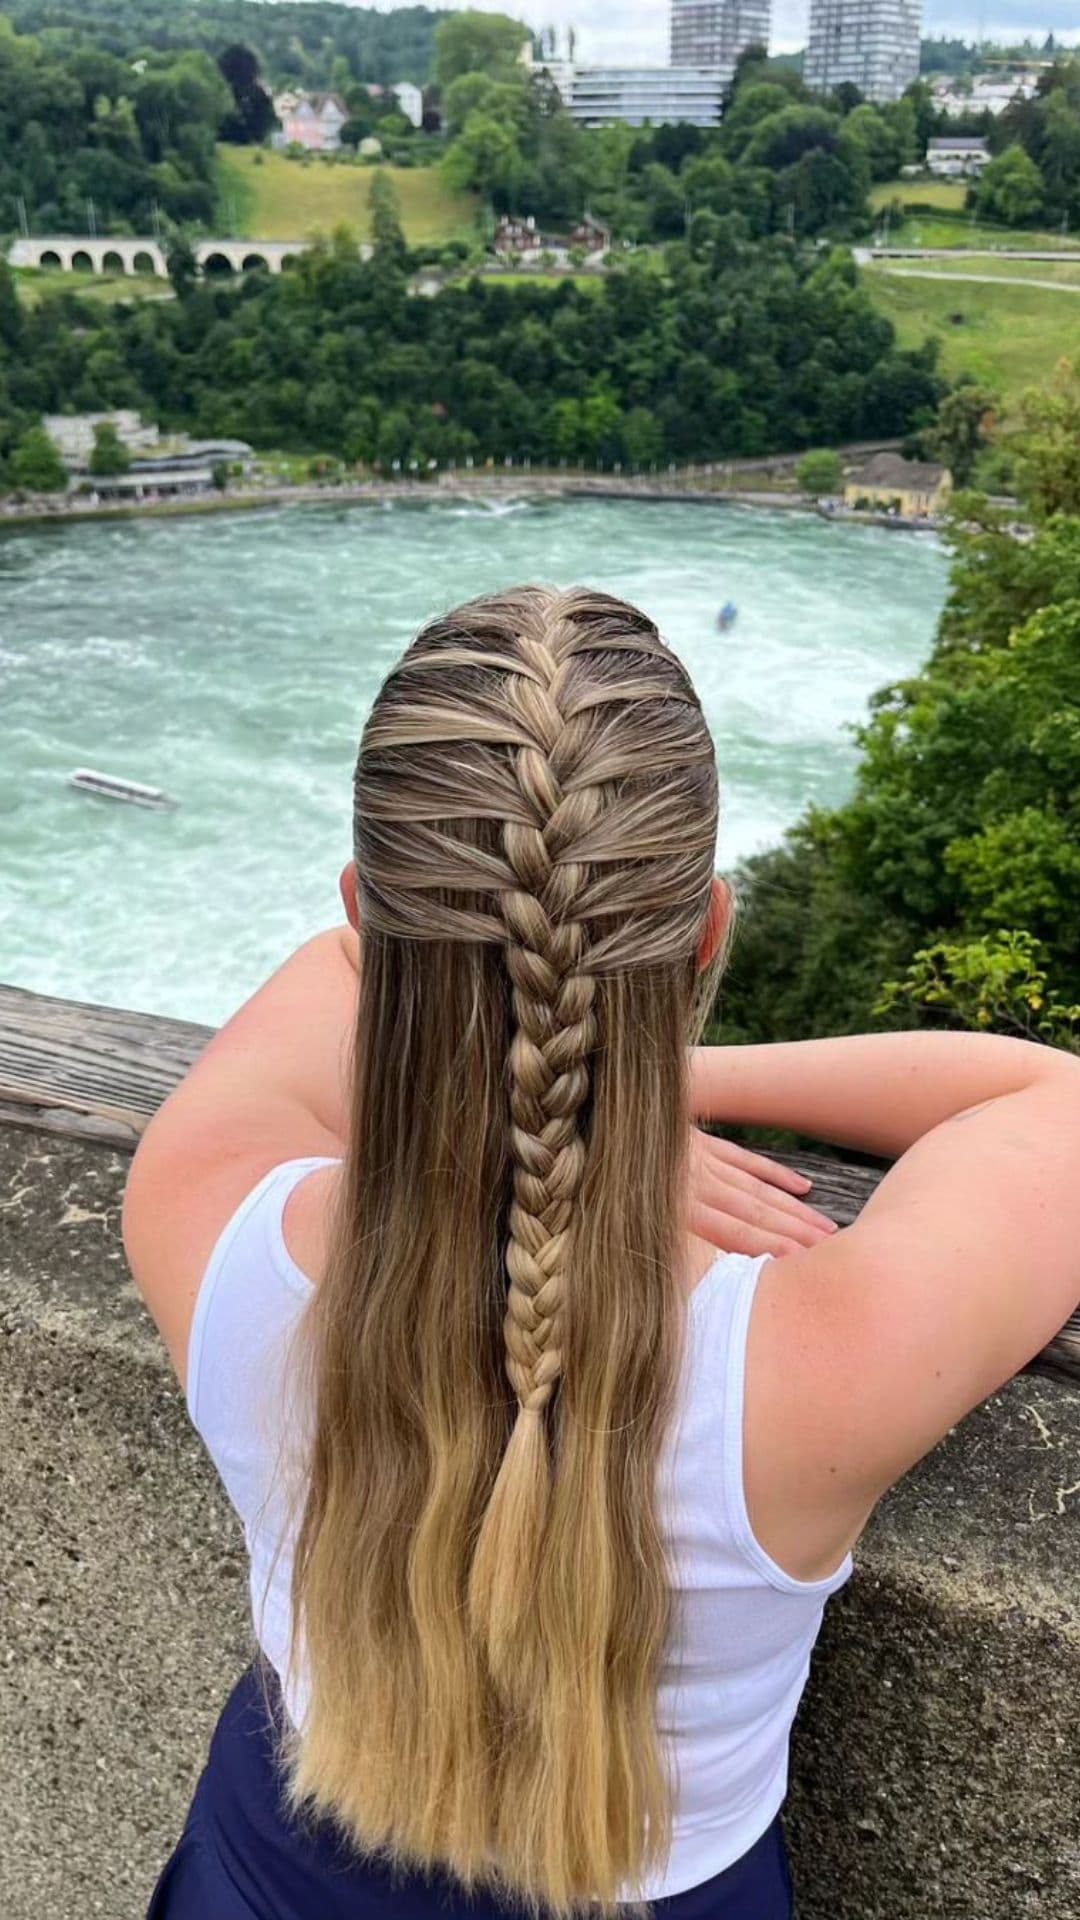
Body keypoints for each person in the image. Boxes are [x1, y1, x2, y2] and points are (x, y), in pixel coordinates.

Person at [122, 585, 1080, 1920]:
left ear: (363, 905)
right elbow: (1052, 1102)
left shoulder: (202, 1215)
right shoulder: (828, 1362)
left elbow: (334, 976)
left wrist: (541, 1098)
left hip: (267, 1869)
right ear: (707, 936)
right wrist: (628, 1095)